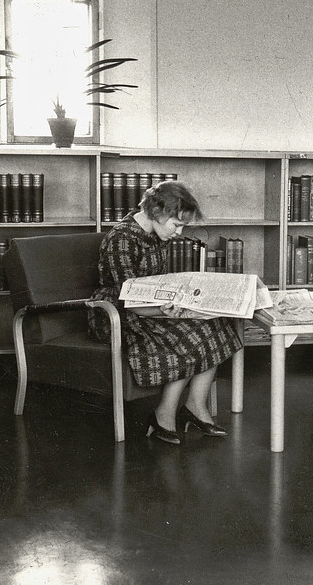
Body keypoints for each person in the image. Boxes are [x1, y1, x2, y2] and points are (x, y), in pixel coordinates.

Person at [88, 180, 242, 445]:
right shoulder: (121, 238)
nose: (179, 233)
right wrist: (162, 309)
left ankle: (195, 405)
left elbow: (155, 282)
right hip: (116, 313)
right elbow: (128, 297)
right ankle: (164, 414)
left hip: (151, 306)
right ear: (157, 213)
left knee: (217, 322)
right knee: (189, 334)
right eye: (177, 224)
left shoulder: (157, 233)